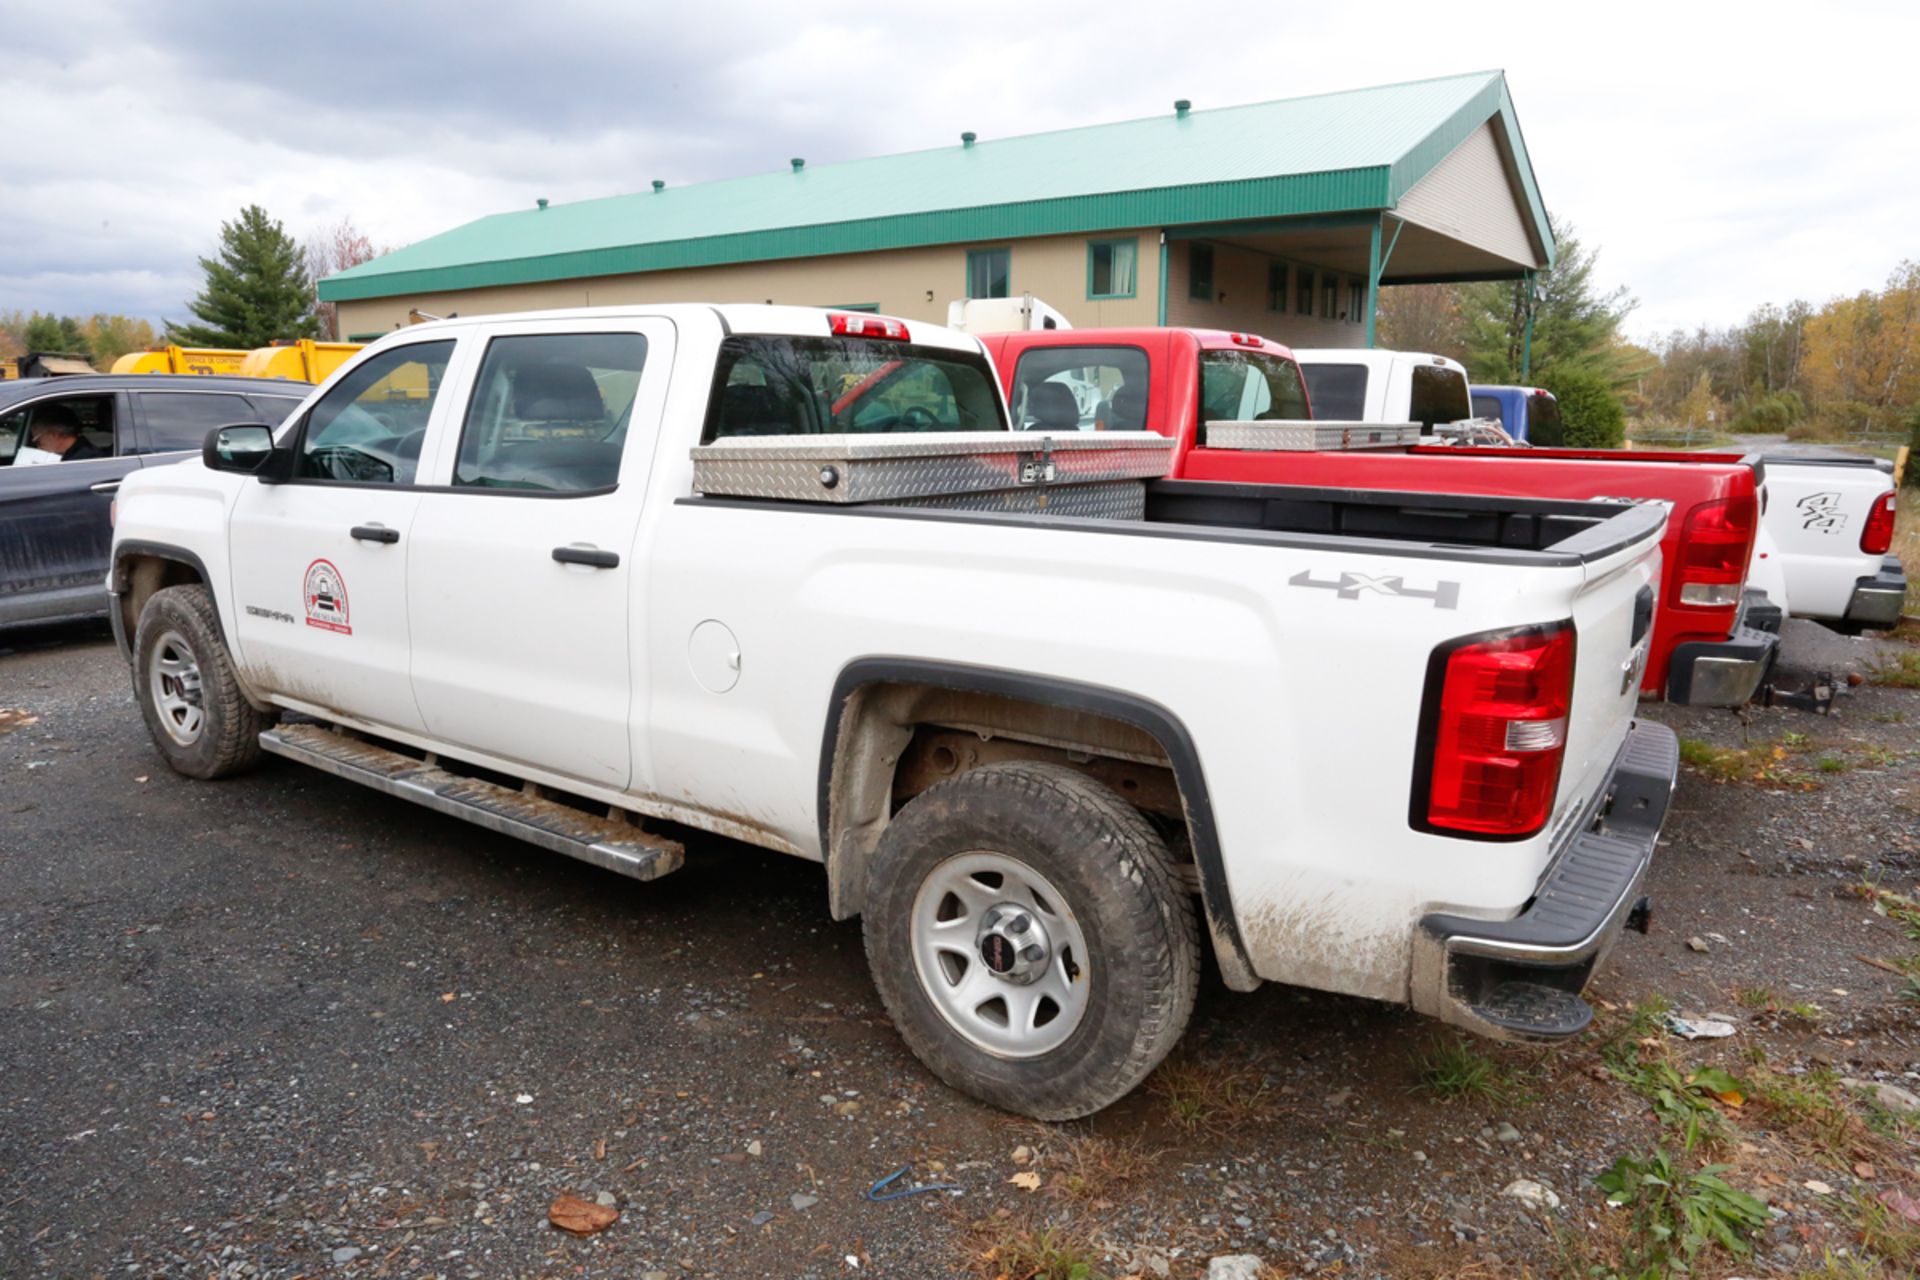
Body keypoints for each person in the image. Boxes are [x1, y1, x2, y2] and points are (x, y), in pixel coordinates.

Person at [28, 403, 107, 461]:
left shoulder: (84, 460)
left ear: (54, 435)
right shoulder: (75, 453)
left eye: (38, 441)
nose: (38, 448)